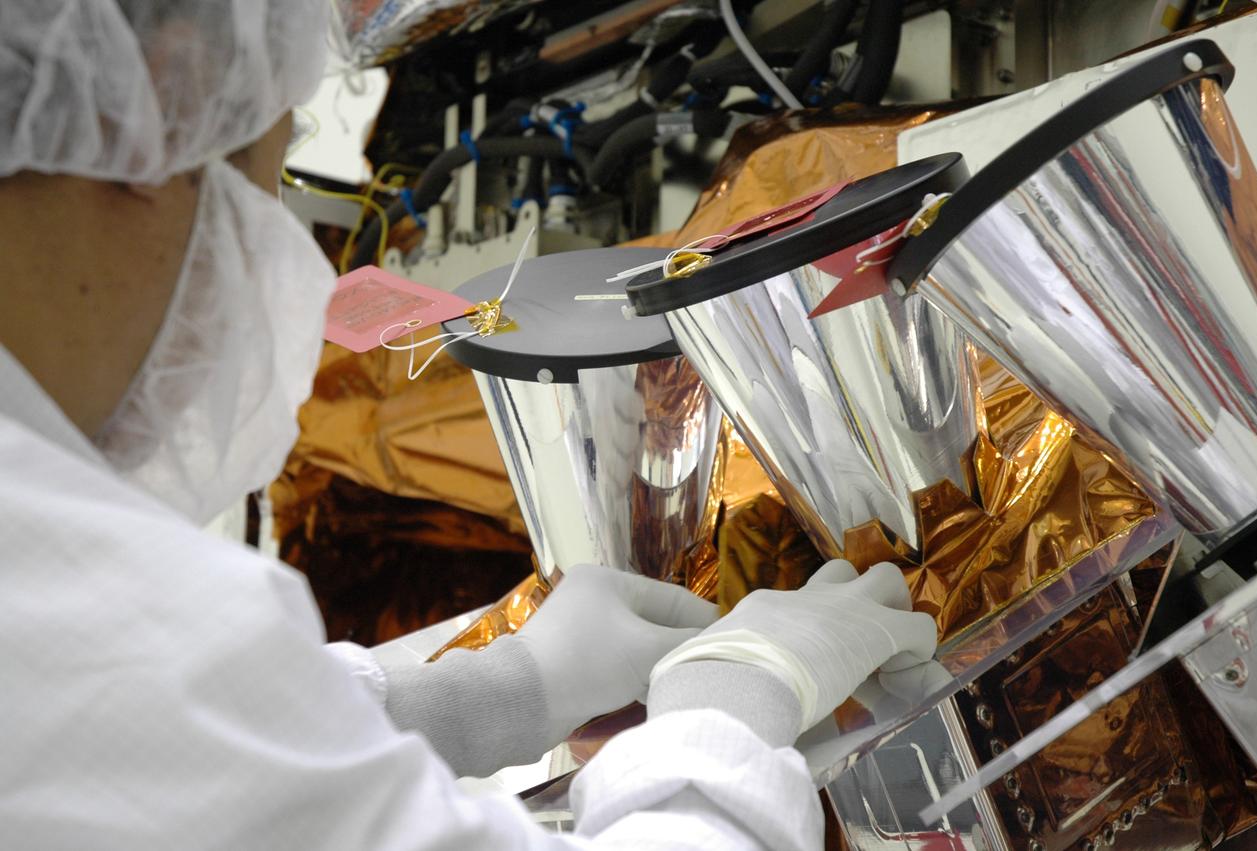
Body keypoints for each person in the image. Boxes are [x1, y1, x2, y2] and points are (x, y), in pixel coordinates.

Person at [0, 2, 939, 848]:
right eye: (262, 179)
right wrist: (730, 709)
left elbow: (185, 752)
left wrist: (490, 692)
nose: (264, 244)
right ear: (147, 111)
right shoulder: (94, 619)